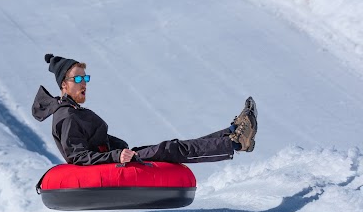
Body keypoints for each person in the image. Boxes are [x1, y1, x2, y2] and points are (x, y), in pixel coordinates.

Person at [32, 54, 257, 166]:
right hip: (113, 165)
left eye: (86, 77)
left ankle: (232, 131)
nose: (84, 83)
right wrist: (116, 154)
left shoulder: (74, 111)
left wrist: (117, 149)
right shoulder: (67, 115)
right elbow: (77, 157)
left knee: (173, 146)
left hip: (117, 159)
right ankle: (236, 142)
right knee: (172, 148)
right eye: (78, 78)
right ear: (64, 84)